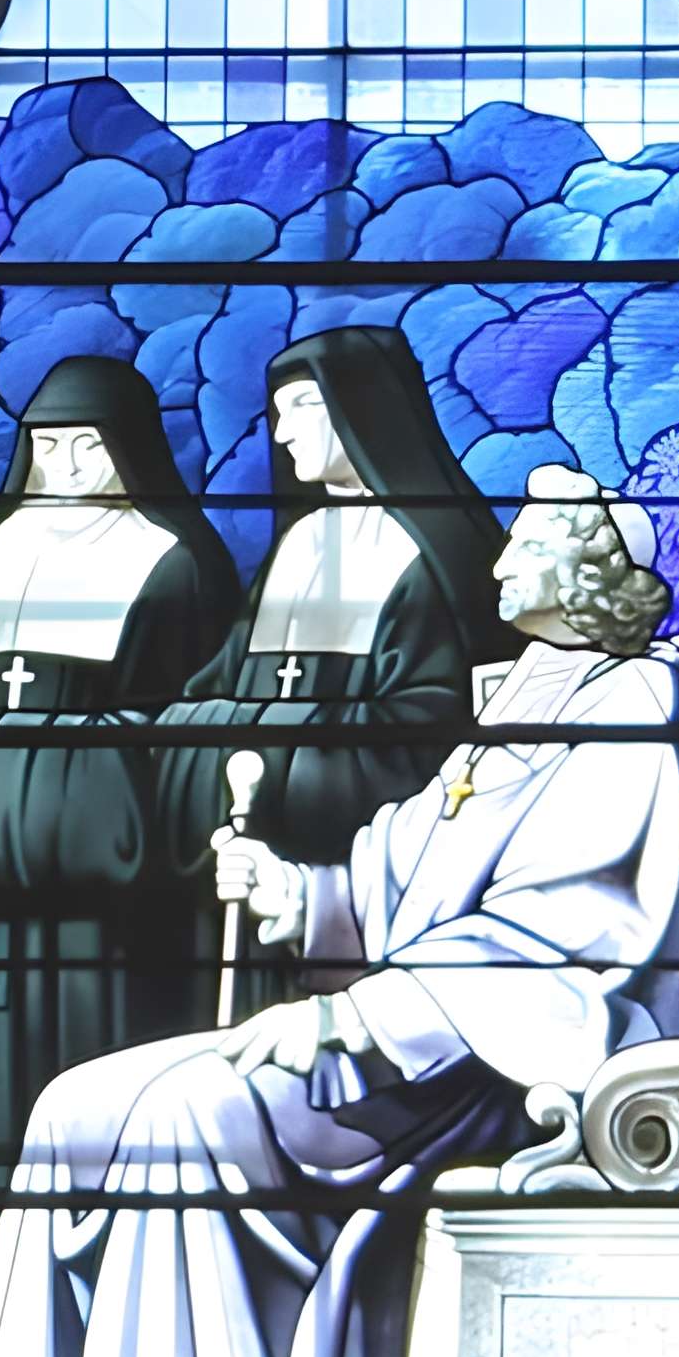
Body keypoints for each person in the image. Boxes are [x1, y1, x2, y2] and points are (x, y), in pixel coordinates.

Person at [0, 469, 679, 1357]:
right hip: (411, 1044)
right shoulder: (523, 696)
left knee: (187, 1114)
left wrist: (357, 1020)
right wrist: (297, 896)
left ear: (588, 572)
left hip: (483, 1073)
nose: (501, 560)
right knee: (74, 1106)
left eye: (530, 542)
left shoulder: (637, 703)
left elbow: (568, 931)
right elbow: (403, 874)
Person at [0, 358, 242, 1357]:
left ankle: (84, 1353)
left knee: (84, 1100)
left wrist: (61, 764)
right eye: (49, 443)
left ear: (130, 448)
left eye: (90, 443)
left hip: (103, 911)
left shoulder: (173, 561)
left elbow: (186, 733)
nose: (69, 462)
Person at [152, 329, 518, 1020]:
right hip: (256, 866)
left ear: (360, 408)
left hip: (365, 891)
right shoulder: (299, 542)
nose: (283, 433)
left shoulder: (439, 551)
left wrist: (269, 740)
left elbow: (431, 731)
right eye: (277, 412)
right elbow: (214, 691)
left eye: (300, 407)